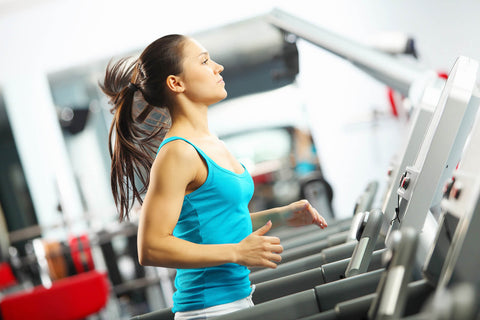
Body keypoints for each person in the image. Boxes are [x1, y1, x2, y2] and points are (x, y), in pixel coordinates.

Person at [100, 34, 328, 319]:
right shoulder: (178, 153)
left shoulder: (212, 142)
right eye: (205, 61)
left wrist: (281, 215)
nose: (218, 67)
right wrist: (236, 252)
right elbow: (151, 246)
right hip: (207, 308)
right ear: (176, 83)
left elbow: (216, 226)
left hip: (237, 299)